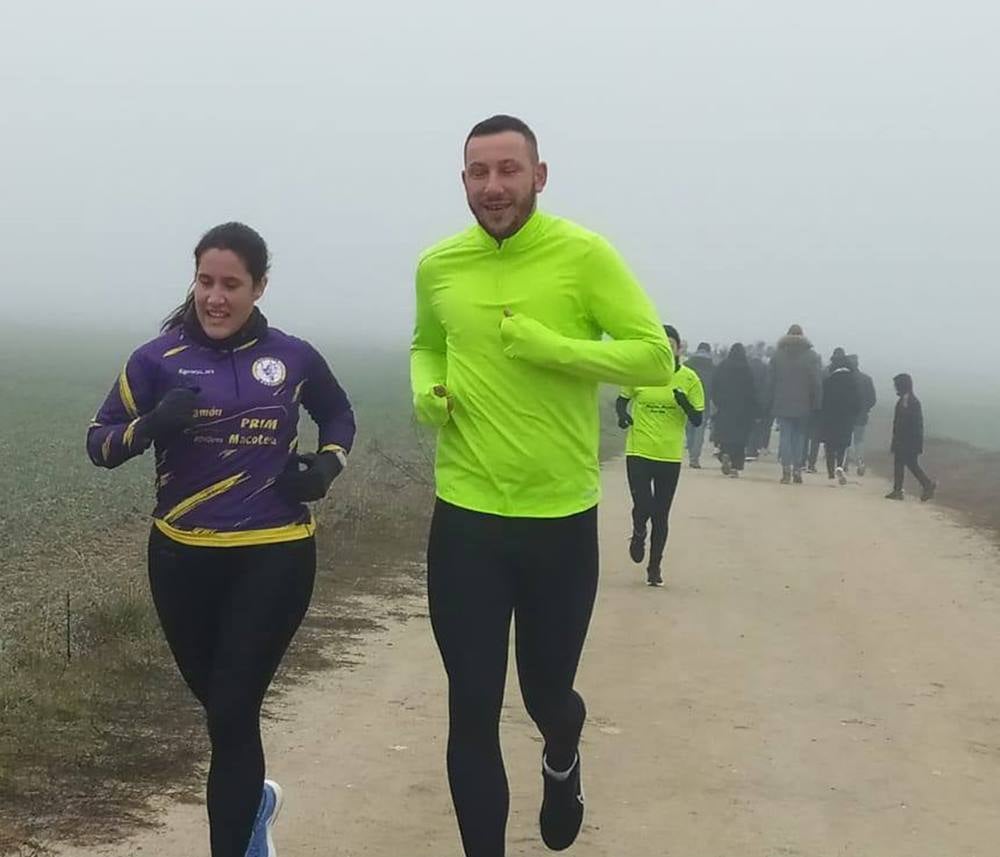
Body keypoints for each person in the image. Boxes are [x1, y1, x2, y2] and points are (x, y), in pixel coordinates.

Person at [410, 115, 673, 857]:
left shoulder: (582, 255)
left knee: (545, 695)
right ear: (462, 179)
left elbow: (654, 356)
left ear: (539, 175)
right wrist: (426, 388)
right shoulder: (438, 264)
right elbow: (427, 343)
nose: (493, 187)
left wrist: (555, 348)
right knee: (471, 708)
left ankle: (563, 750)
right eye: (477, 172)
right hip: (464, 517)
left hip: (558, 519)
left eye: (507, 170)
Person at [87, 223, 356, 857]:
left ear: (259, 287)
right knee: (224, 715)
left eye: (231, 284)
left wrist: (325, 466)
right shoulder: (155, 360)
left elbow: (339, 413)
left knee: (233, 709)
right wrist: (152, 424)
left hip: (276, 554)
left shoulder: (294, 357)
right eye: (205, 281)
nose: (215, 297)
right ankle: (253, 805)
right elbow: (99, 443)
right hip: (180, 558)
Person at [616, 325, 704, 586]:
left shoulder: (689, 379)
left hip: (669, 455)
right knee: (643, 505)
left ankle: (654, 568)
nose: (668, 349)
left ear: (679, 349)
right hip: (639, 450)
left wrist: (683, 402)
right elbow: (622, 401)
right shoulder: (640, 373)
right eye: (663, 344)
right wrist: (623, 416)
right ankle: (638, 532)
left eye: (672, 345)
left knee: (661, 514)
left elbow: (698, 419)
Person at [768, 325, 822, 484]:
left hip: (782, 402)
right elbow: (817, 383)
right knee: (800, 437)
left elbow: (770, 381)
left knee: (785, 436)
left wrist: (769, 401)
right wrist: (817, 403)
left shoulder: (777, 355)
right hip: (804, 403)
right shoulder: (812, 356)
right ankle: (798, 469)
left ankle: (786, 470)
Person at [711, 343, 759, 478]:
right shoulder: (747, 369)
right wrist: (754, 409)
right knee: (739, 441)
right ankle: (735, 466)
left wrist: (717, 401)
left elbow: (714, 386)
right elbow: (752, 391)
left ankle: (724, 454)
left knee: (725, 437)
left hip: (725, 407)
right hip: (743, 411)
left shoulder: (722, 367)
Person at [886, 373, 937, 501]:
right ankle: (924, 485)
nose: (895, 388)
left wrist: (900, 440)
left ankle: (921, 486)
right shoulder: (908, 400)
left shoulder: (909, 402)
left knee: (905, 464)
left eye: (896, 385)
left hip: (907, 440)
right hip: (906, 440)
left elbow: (909, 423)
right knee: (908, 464)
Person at [819, 351, 860, 485]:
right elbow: (857, 401)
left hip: (830, 417)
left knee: (829, 444)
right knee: (842, 444)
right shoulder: (853, 382)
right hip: (846, 418)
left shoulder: (828, 381)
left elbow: (822, 400)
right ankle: (840, 466)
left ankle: (830, 471)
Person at [683, 341, 715, 468]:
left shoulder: (687, 365)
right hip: (704, 402)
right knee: (699, 431)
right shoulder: (712, 367)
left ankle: (690, 448)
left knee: (688, 428)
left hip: (687, 401)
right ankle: (694, 457)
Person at [847, 354, 877, 476]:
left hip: (847, 416)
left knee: (846, 440)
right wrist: (865, 408)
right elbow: (872, 399)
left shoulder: (846, 379)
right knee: (859, 440)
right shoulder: (866, 379)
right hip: (861, 415)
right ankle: (860, 462)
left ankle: (845, 463)